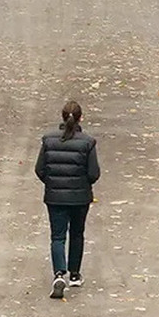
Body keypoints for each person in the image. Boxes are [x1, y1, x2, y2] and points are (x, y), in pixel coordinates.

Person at [34, 100, 100, 299]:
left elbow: (40, 169)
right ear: (81, 118)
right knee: (77, 233)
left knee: (57, 236)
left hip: (55, 197)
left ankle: (59, 273)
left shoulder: (48, 140)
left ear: (62, 117)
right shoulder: (88, 142)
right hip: (80, 197)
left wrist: (52, 182)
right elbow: (93, 173)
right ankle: (75, 274)